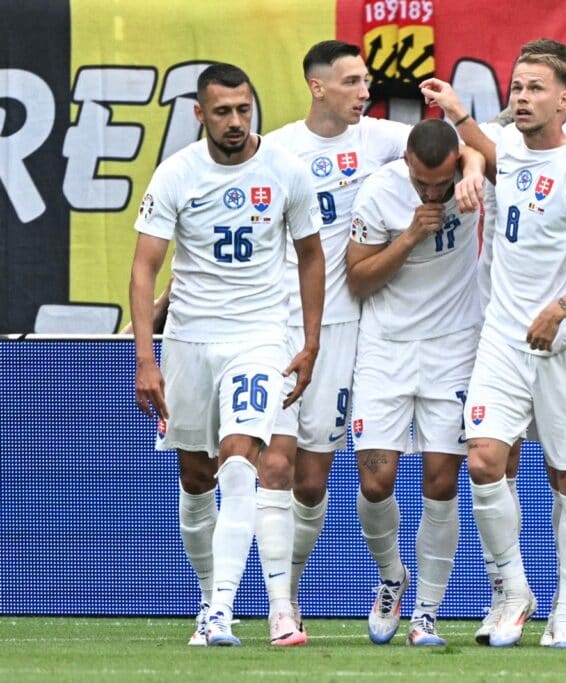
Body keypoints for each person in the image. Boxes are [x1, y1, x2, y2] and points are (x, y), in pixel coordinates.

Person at [424, 41, 566, 648]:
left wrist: (560, 308)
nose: (521, 97)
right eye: (516, 88)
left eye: (533, 89)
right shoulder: (511, 156)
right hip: (503, 339)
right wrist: (454, 112)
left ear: (563, 99)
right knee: (482, 461)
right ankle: (514, 590)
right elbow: (489, 153)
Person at [129, 62, 324, 647]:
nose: (236, 122)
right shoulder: (176, 174)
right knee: (196, 476)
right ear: (200, 114)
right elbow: (144, 267)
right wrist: (146, 358)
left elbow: (311, 256)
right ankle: (211, 590)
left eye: (244, 109)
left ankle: (220, 611)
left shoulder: (285, 171)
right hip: (190, 339)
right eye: (222, 112)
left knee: (241, 459)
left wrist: (309, 342)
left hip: (259, 336)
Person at [258, 40, 412, 645]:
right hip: (275, 325)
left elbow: (454, 149)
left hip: (347, 327)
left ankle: (391, 576)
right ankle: (283, 603)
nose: (363, 91)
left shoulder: (380, 140)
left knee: (314, 481)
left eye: (365, 80)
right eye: (351, 82)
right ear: (317, 87)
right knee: (275, 463)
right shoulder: (275, 149)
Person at [344, 119, 481, 647]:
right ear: (406, 161)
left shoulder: (472, 177)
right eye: (423, 182)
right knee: (375, 483)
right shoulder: (379, 192)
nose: (433, 192)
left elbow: (491, 149)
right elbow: (357, 279)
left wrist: (470, 167)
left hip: (454, 349)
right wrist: (411, 234)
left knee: (441, 482)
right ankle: (392, 576)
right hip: (386, 349)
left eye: (441, 182)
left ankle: (426, 612)